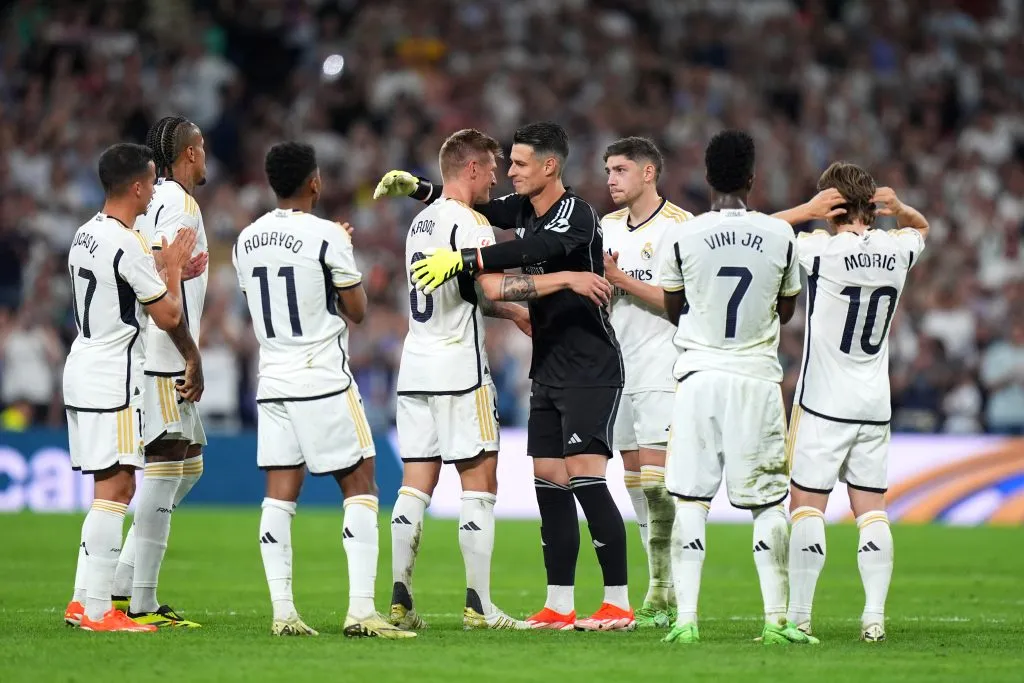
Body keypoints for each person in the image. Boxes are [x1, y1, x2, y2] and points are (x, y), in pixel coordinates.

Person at [375, 121, 633, 631]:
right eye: (503, 164)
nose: (507, 173)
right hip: (548, 365)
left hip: (590, 364)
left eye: (518, 164)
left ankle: (617, 602)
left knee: (585, 477)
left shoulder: (577, 214)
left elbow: (528, 253)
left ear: (549, 166)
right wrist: (424, 189)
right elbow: (477, 209)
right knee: (548, 483)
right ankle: (560, 604)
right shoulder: (519, 209)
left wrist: (469, 257)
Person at [233, 142, 414, 639]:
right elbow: (355, 311)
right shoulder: (328, 236)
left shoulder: (245, 239)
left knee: (278, 496)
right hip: (323, 378)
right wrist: (339, 252)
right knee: (361, 485)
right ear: (314, 181)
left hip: (272, 381)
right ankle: (360, 611)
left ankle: (284, 612)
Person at [659, 130, 813, 645]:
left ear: (707, 179)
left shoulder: (682, 235)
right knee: (768, 505)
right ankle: (775, 622)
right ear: (752, 178)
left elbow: (672, 307)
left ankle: (685, 621)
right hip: (755, 379)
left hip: (700, 377)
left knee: (690, 502)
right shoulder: (779, 235)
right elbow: (787, 310)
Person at [773, 163, 929, 643]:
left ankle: (799, 618)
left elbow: (758, 234)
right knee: (872, 509)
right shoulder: (897, 248)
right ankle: (874, 619)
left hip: (823, 403)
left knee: (806, 507)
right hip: (873, 403)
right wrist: (900, 209)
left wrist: (804, 211)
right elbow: (920, 227)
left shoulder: (820, 250)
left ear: (832, 206)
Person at [62, 142, 197, 632]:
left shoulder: (85, 234)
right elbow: (169, 315)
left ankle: (82, 601)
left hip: (81, 364)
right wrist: (175, 271)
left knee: (106, 485)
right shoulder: (128, 243)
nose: (153, 194)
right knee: (117, 485)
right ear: (138, 186)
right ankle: (100, 610)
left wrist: (160, 260)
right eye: (150, 185)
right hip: (114, 376)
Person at [111, 115, 210, 627]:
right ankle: (142, 600)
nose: (207, 155)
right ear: (191, 153)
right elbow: (155, 269)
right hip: (163, 351)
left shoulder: (159, 199)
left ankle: (122, 582)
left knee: (188, 462)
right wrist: (188, 352)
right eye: (203, 148)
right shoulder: (180, 202)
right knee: (169, 458)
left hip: (157, 348)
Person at [601, 136, 693, 628]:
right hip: (617, 370)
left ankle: (670, 586)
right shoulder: (605, 227)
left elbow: (684, 303)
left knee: (659, 486)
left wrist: (620, 280)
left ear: (648, 173)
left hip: (663, 365)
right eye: (608, 170)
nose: (611, 179)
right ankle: (659, 586)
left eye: (619, 170)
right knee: (635, 482)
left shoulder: (682, 229)